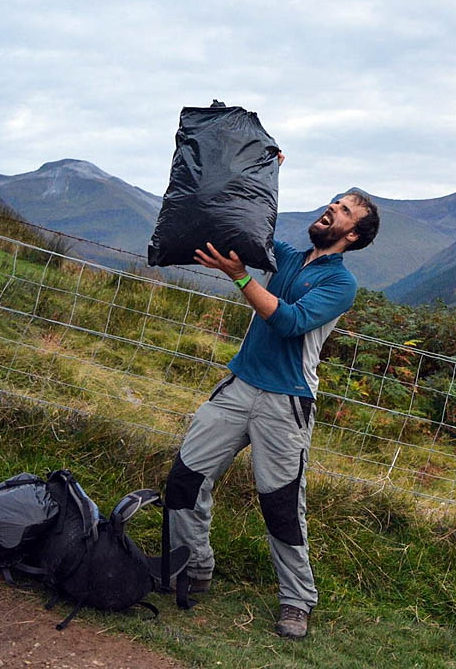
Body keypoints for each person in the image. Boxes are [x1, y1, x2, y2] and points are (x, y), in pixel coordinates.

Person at [163, 182, 380, 640]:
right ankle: (192, 568)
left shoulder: (341, 283)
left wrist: (242, 278)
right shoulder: (286, 256)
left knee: (280, 506)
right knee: (185, 479)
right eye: (333, 203)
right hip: (239, 387)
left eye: (341, 211)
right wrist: (261, 170)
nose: (330, 210)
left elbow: (290, 322)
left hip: (285, 402)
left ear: (353, 236)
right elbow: (251, 228)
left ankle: (297, 601)